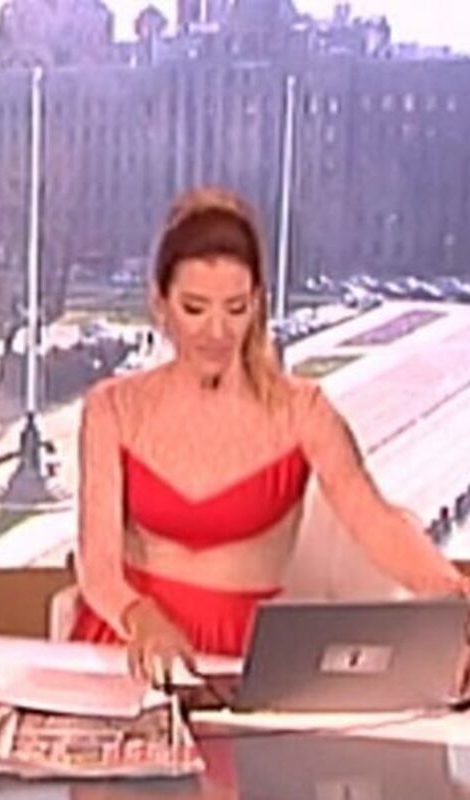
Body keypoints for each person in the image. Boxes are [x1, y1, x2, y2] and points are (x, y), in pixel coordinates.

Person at [71, 187, 469, 682]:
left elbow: (377, 522)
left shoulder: (303, 411)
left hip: (244, 662)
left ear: (257, 305)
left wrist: (453, 594)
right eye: (195, 308)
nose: (217, 332)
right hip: (130, 651)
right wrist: (139, 617)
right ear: (160, 304)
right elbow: (97, 568)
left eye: (235, 308)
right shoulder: (111, 408)